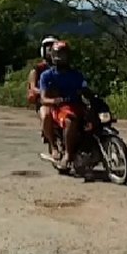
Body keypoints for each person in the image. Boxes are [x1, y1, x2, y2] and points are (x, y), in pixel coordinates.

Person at [39, 40, 91, 170]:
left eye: (63, 54)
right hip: (61, 108)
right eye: (57, 54)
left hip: (78, 105)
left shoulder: (76, 75)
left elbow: (85, 89)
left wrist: (90, 95)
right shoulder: (47, 76)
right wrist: (56, 101)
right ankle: (67, 154)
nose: (60, 57)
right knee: (70, 120)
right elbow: (43, 98)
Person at [27, 35, 60, 148]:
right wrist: (44, 92)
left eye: (52, 47)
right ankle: (53, 144)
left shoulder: (62, 67)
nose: (50, 50)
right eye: (48, 47)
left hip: (61, 99)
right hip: (44, 101)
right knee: (46, 115)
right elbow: (33, 87)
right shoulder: (37, 69)